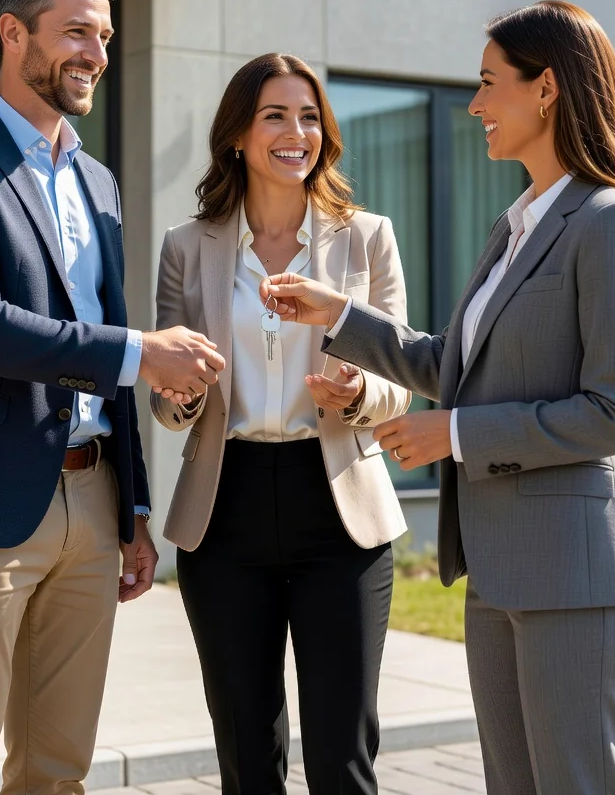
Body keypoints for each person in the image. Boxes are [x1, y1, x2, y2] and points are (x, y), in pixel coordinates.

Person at [262, 1, 615, 795]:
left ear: (548, 88)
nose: (476, 105)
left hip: (578, 578)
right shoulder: (518, 225)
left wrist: (452, 436)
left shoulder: (611, 222)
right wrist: (338, 316)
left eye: (490, 83)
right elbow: (456, 363)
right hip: (499, 571)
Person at [0, 0, 225, 795]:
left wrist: (133, 508)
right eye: (76, 31)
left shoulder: (96, 181)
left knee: (58, 771)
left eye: (105, 36)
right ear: (12, 32)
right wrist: (147, 352)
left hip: (93, 496)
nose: (97, 55)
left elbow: (98, 340)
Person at [150, 53, 410, 795]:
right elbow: (166, 404)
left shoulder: (367, 238)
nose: (296, 132)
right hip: (223, 511)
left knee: (342, 759)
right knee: (246, 756)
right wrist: (186, 391)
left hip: (339, 510)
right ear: (238, 134)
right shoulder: (187, 247)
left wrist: (358, 390)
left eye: (309, 118)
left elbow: (403, 380)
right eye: (274, 116)